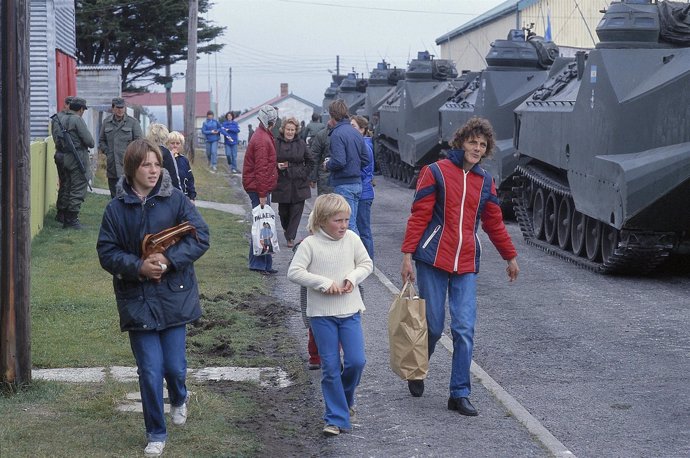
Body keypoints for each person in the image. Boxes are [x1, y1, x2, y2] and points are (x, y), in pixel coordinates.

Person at [97, 138, 210, 457]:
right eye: (147, 164)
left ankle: (179, 396)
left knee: (174, 368)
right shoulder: (116, 209)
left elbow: (201, 237)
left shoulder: (175, 199)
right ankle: (156, 433)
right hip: (138, 299)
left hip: (174, 296)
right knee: (149, 369)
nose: (153, 170)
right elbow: (106, 252)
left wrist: (169, 260)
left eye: (157, 164)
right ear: (132, 167)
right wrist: (138, 267)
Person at [400, 117, 520, 416]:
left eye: (482, 145)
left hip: (466, 262)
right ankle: (417, 368)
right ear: (461, 142)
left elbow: (494, 223)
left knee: (464, 329)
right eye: (472, 142)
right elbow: (418, 216)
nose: (477, 148)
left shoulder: (485, 181)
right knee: (435, 325)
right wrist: (406, 255)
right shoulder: (435, 172)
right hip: (433, 259)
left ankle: (459, 393)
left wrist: (510, 256)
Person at [287, 193, 373, 436]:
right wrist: (322, 283)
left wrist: (352, 278)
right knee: (331, 366)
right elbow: (294, 272)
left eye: (346, 220)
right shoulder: (310, 245)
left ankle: (345, 403)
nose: (344, 225)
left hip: (350, 311)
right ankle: (335, 417)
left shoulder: (352, 239)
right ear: (322, 220)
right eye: (338, 221)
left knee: (357, 361)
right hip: (321, 315)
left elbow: (367, 264)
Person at [242, 105, 279, 275]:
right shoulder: (263, 140)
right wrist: (263, 194)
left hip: (257, 186)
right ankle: (259, 263)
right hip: (259, 188)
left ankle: (263, 263)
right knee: (262, 225)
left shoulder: (261, 136)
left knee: (263, 225)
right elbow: (261, 170)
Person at [326, 99, 370, 234]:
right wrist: (354, 166)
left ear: (332, 115)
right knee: (352, 223)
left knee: (347, 227)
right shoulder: (355, 132)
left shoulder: (337, 134)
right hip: (357, 184)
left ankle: (355, 255)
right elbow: (365, 159)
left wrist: (327, 164)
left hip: (344, 184)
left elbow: (339, 161)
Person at [273, 116, 315, 248]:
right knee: (283, 212)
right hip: (282, 182)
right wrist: (276, 165)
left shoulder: (301, 143)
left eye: (292, 130)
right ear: (283, 129)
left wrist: (303, 173)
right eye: (288, 129)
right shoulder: (276, 143)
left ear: (296, 131)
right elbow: (269, 159)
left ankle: (290, 237)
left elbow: (310, 161)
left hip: (299, 183)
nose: (290, 132)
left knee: (296, 212)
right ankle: (286, 230)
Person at [57, 97, 95, 229]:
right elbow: (90, 141)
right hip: (78, 157)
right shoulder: (77, 120)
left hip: (66, 157)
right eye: (83, 109)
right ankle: (72, 219)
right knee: (78, 187)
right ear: (80, 109)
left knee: (68, 186)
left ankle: (65, 217)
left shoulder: (62, 118)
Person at [99, 97, 144, 198]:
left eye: (122, 107)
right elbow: (101, 140)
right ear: (113, 108)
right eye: (118, 108)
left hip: (128, 163)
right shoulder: (107, 122)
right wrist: (108, 152)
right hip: (112, 164)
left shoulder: (133, 122)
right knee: (114, 194)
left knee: (129, 193)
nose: (120, 110)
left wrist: (131, 154)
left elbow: (139, 142)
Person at [350, 115, 375, 260]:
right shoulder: (362, 144)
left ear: (362, 129)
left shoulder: (364, 146)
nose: (350, 129)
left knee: (364, 229)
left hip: (363, 192)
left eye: (353, 126)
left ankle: (368, 260)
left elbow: (364, 170)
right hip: (363, 190)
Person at [50, 95, 74, 224]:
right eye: (69, 103)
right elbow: (58, 138)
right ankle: (62, 212)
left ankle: (64, 212)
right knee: (66, 183)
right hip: (64, 154)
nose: (70, 106)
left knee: (66, 183)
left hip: (63, 154)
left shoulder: (63, 117)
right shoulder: (60, 118)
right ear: (65, 104)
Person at [147, 123, 181, 191]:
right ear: (165, 137)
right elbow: (174, 176)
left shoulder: (145, 152)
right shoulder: (167, 153)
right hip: (165, 191)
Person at [166, 131, 196, 203]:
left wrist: (192, 197)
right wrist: (170, 157)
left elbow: (190, 180)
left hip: (183, 197)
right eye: (172, 143)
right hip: (168, 197)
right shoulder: (164, 159)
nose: (175, 146)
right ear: (167, 144)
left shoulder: (184, 160)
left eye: (178, 143)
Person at [310, 119, 335, 195]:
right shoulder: (322, 134)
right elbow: (314, 157)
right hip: (326, 177)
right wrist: (313, 178)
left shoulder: (322, 134)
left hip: (328, 176)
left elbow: (314, 156)